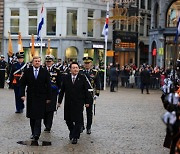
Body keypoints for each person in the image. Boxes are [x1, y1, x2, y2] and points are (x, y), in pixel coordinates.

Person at [57, 62, 90, 144]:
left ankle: (75, 136)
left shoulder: (82, 78)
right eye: (73, 68)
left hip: (79, 102)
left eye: (77, 68)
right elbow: (62, 91)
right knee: (68, 119)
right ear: (70, 69)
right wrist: (59, 101)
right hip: (68, 102)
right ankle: (72, 131)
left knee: (78, 120)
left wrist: (87, 102)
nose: (75, 69)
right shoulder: (66, 78)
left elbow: (86, 91)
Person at [20, 56, 51, 141]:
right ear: (32, 62)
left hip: (41, 97)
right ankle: (33, 132)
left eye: (38, 61)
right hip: (31, 96)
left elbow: (48, 85)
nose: (37, 62)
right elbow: (22, 84)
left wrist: (49, 97)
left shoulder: (44, 72)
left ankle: (37, 134)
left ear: (40, 62)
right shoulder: (27, 71)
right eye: (35, 61)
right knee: (32, 116)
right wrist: (22, 95)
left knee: (39, 116)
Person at [80, 57, 100, 134]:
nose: (87, 65)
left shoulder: (95, 72)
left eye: (88, 63)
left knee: (89, 112)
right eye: (85, 63)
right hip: (81, 94)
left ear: (91, 64)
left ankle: (89, 127)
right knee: (80, 111)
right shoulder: (80, 72)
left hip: (89, 94)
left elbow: (97, 84)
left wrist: (97, 94)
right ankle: (81, 125)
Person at [43, 55, 62, 132]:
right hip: (43, 92)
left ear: (52, 62)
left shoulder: (56, 70)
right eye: (47, 61)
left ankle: (48, 126)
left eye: (50, 61)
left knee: (50, 110)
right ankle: (45, 123)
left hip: (53, 92)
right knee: (44, 109)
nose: (48, 63)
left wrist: (58, 89)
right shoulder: (42, 69)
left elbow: (59, 81)